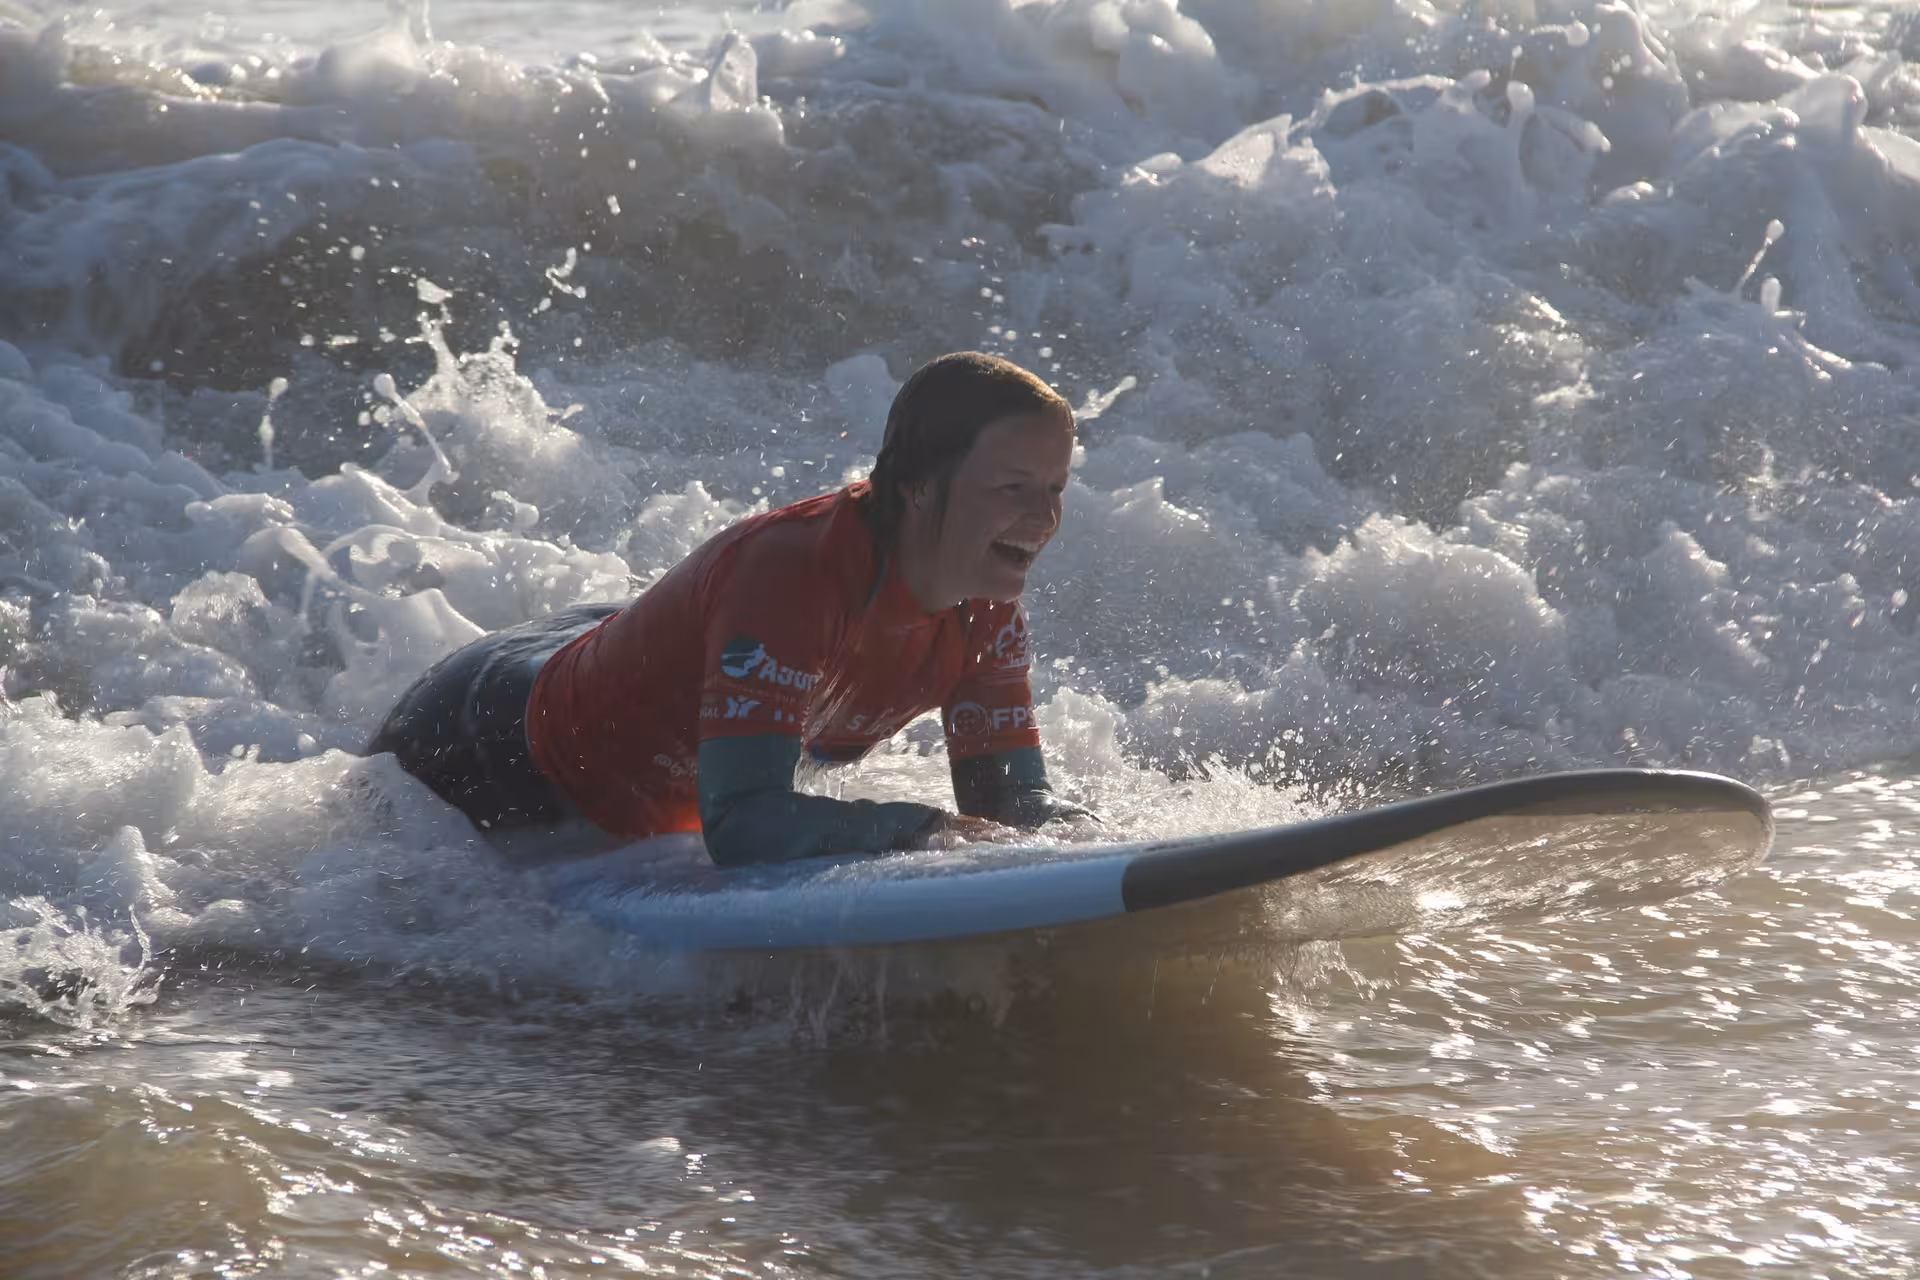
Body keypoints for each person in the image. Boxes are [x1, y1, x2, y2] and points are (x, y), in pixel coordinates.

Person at [366, 351, 1095, 866]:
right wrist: (924, 830)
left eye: (1056, 489)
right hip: (487, 744)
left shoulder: (983, 605)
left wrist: (1095, 842)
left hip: (628, 643)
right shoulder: (792, 580)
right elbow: (741, 825)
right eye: (1013, 489)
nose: (1043, 519)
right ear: (918, 485)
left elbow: (1010, 804)